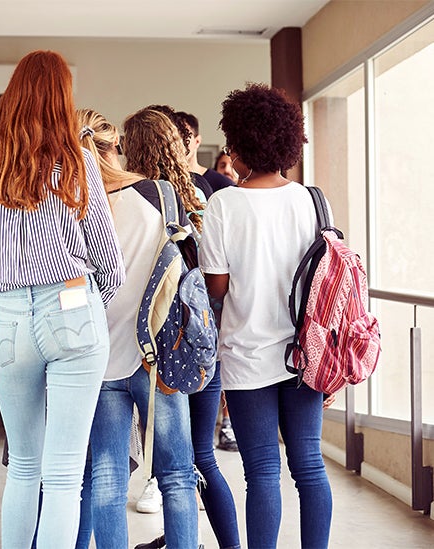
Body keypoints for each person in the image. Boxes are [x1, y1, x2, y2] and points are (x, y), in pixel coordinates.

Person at [0, 50, 125, 549]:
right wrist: (83, 303)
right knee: (63, 475)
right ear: (63, 97)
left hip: (11, 315)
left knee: (24, 469)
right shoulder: (77, 160)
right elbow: (107, 256)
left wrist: (10, 300)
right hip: (72, 305)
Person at [199, 83, 333, 548]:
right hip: (305, 353)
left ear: (242, 145)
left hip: (246, 353)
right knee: (310, 467)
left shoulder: (224, 205)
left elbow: (216, 286)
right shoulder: (311, 200)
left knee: (262, 472)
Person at [77, 108, 199, 549]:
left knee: (106, 478)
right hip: (157, 357)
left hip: (98, 356)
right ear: (118, 148)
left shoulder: (72, 203)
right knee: (177, 475)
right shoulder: (161, 194)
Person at [124, 106, 241, 549]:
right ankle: (213, 543)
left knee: (171, 461)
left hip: (155, 345)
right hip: (200, 339)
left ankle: (182, 541)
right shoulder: (199, 198)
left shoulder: (133, 199)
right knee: (201, 458)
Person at [174, 111, 235, 194]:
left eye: (184, 136)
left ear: (197, 141)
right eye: (174, 138)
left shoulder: (223, 184)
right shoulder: (163, 183)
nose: (178, 143)